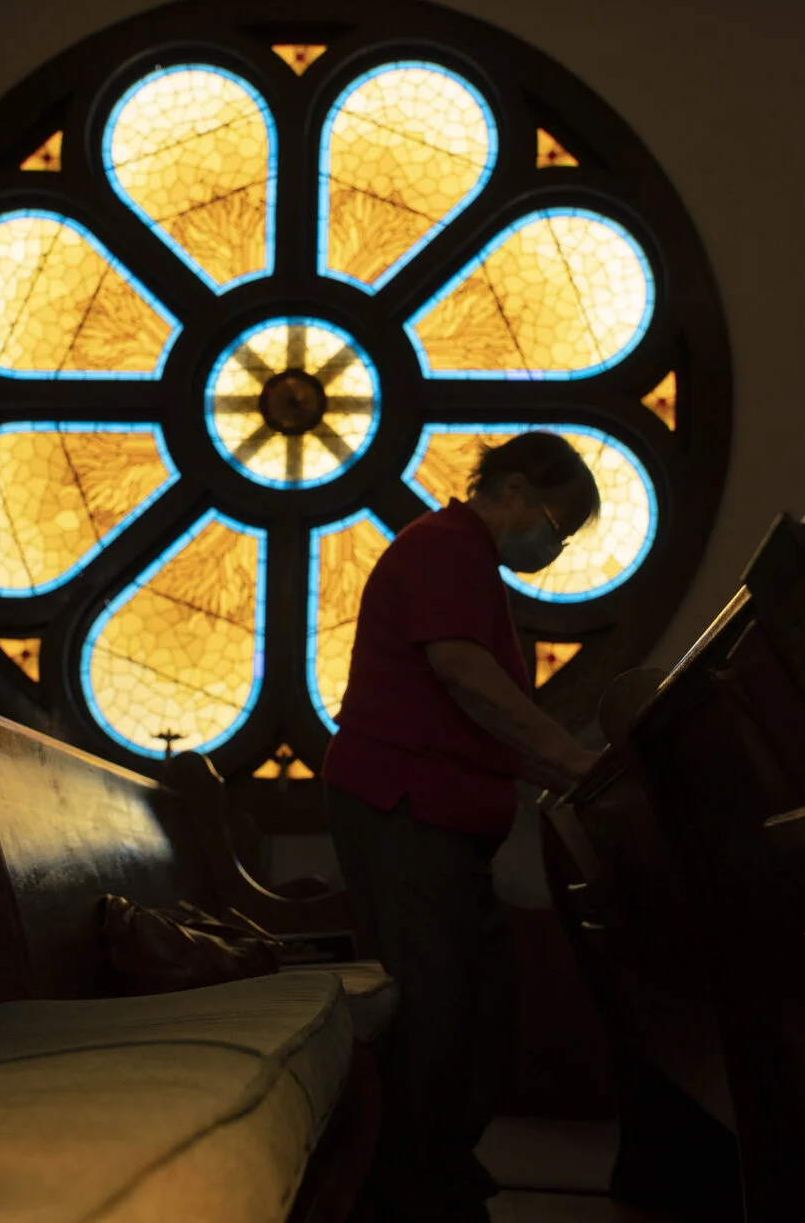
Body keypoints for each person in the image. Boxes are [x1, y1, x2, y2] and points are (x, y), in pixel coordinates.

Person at [323, 431, 604, 1222]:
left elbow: (486, 723)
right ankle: (408, 1194)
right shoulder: (446, 547)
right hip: (404, 808)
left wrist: (566, 769)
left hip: (438, 819)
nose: (553, 542)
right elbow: (466, 676)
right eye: (555, 519)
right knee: (438, 1013)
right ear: (511, 489)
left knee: (479, 1007)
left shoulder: (465, 560)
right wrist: (573, 761)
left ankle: (437, 1173)